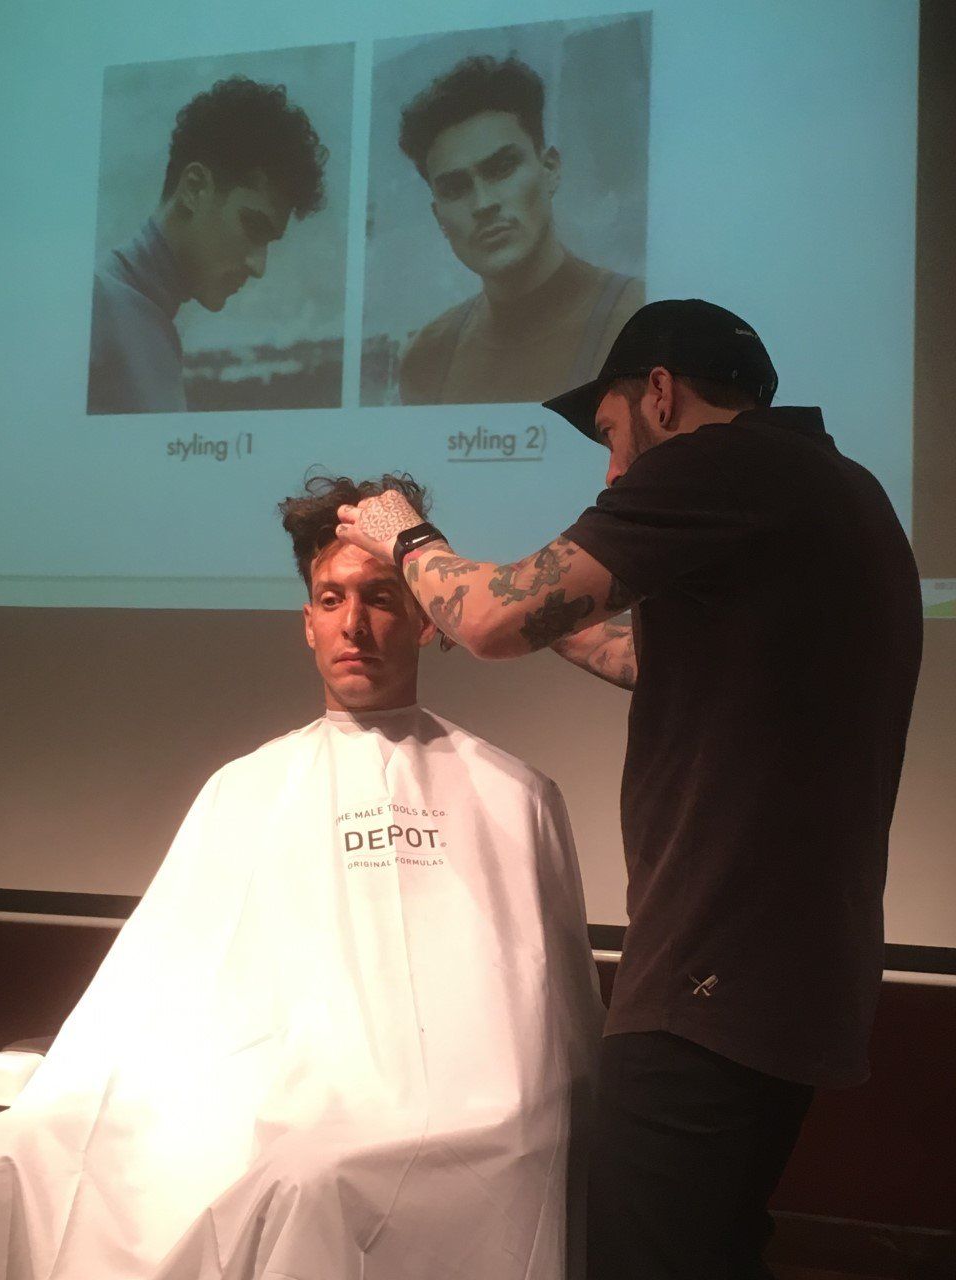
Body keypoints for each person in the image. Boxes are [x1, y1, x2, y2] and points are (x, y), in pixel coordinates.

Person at [336, 300, 924, 1279]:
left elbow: (490, 619)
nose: (613, 468)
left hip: (716, 975)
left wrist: (410, 539)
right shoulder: (837, 490)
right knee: (712, 1248)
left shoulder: (724, 463)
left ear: (658, 393)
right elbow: (644, 655)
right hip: (790, 975)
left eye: (610, 433)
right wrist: (509, 608)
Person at [0, 473, 603, 1280]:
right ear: (306, 625)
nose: (354, 624)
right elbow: (170, 987)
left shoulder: (513, 795)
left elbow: (547, 1024)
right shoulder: (244, 787)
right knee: (28, 1141)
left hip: (450, 1122)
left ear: (428, 620)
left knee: (312, 1178)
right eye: (330, 600)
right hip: (246, 1096)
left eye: (382, 597)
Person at [396, 55, 644, 405]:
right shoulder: (426, 358)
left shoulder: (638, 321)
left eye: (502, 168)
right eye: (455, 188)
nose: (483, 204)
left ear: (550, 169)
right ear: (439, 216)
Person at [87, 76, 327, 415]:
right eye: (253, 226)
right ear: (195, 188)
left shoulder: (149, 319)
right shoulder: (91, 308)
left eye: (269, 242)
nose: (259, 267)